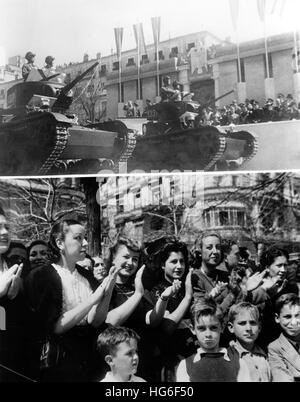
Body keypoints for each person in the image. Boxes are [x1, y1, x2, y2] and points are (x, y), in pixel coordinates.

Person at [24, 218, 120, 382]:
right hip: (60, 360)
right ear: (60, 242)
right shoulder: (41, 276)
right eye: (78, 238)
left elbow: (95, 321)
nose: (85, 243)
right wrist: (92, 299)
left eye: (85, 238)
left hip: (89, 358)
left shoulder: (86, 276)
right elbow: (54, 327)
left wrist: (108, 290)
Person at [143, 238, 196, 381]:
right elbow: (167, 327)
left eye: (182, 261)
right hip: (170, 361)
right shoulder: (157, 291)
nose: (179, 266)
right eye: (174, 262)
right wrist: (188, 298)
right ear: (162, 265)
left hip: (191, 354)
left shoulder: (186, 287)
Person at [175, 297, 251, 382]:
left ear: (222, 327)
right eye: (201, 328)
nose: (208, 334)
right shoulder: (186, 366)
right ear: (192, 329)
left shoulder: (239, 364)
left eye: (213, 328)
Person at [250, 246, 299, 349]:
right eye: (279, 265)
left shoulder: (290, 287)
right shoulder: (256, 286)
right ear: (267, 267)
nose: (283, 270)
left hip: (284, 339)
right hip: (259, 338)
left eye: (285, 265)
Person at [0, 206, 26, 382]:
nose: (4, 232)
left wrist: (15, 298)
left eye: (6, 227)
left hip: (11, 359)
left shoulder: (14, 267)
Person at [227, 302, 272, 382]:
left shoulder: (266, 355)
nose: (248, 328)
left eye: (253, 323)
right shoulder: (228, 358)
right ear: (231, 327)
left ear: (259, 327)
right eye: (242, 323)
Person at [268, 293, 300, 382]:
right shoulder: (274, 348)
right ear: (277, 318)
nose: (294, 322)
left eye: (298, 315)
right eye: (287, 317)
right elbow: (281, 378)